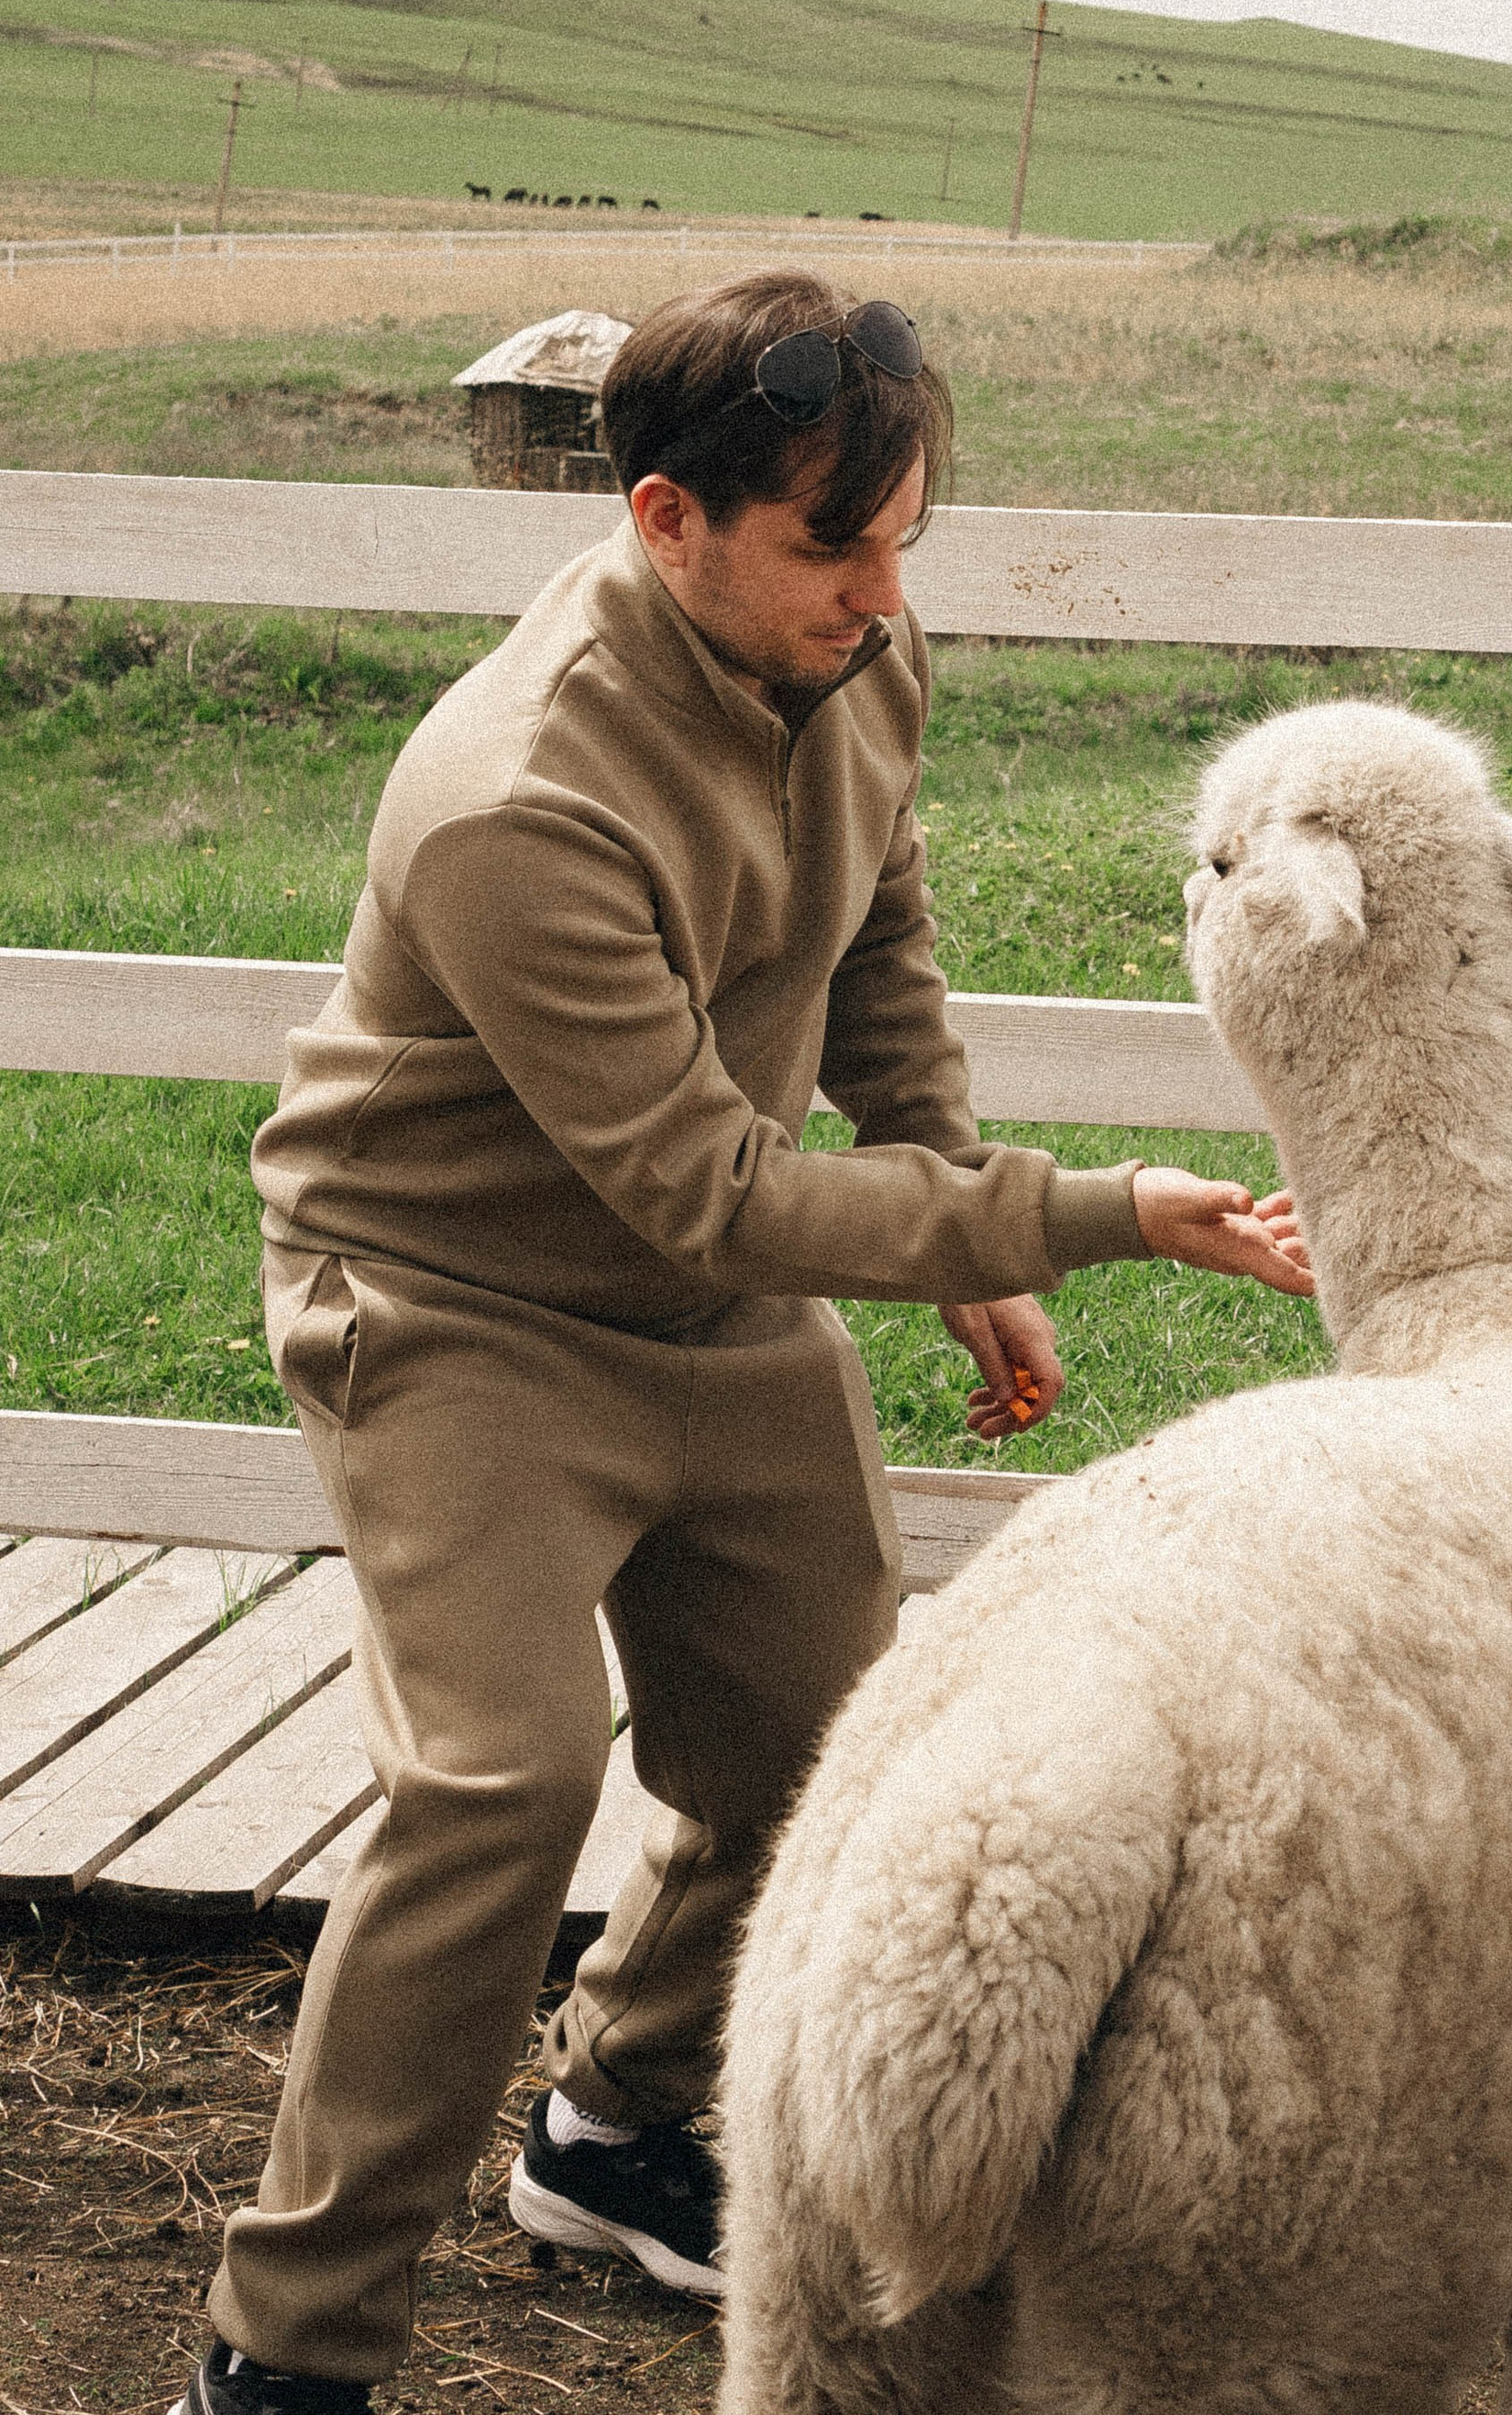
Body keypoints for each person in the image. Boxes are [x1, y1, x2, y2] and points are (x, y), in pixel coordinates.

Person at [182, 269, 1313, 2415]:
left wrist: (940, 1169)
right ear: (665, 512)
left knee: (824, 1751)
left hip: (712, 1295)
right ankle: (285, 2351)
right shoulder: (519, 796)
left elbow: (871, 914)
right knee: (498, 1783)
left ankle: (613, 2122)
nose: (883, 594)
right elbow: (704, 1183)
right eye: (833, 544)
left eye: (902, 537)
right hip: (455, 1307)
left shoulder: (847, 652)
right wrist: (1077, 1218)